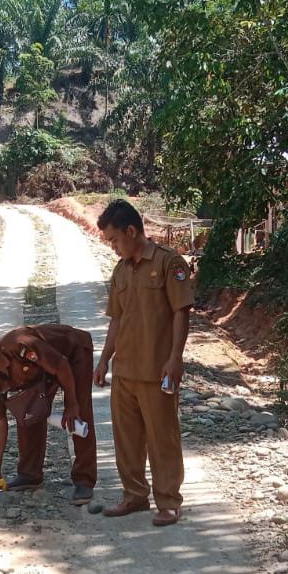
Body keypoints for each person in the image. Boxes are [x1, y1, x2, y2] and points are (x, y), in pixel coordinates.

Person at [93, 199, 194, 526]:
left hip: (156, 370)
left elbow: (181, 312)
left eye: (115, 240)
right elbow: (116, 319)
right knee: (127, 440)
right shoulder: (120, 271)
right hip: (124, 371)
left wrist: (175, 358)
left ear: (132, 231)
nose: (113, 247)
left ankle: (168, 501)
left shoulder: (168, 263)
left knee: (162, 438)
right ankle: (134, 495)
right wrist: (104, 360)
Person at [0, 324, 98, 505]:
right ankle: (30, 474)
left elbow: (61, 365)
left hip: (71, 355)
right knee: (28, 411)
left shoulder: (17, 344)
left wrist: (72, 403)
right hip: (43, 372)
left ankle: (84, 480)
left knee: (78, 416)